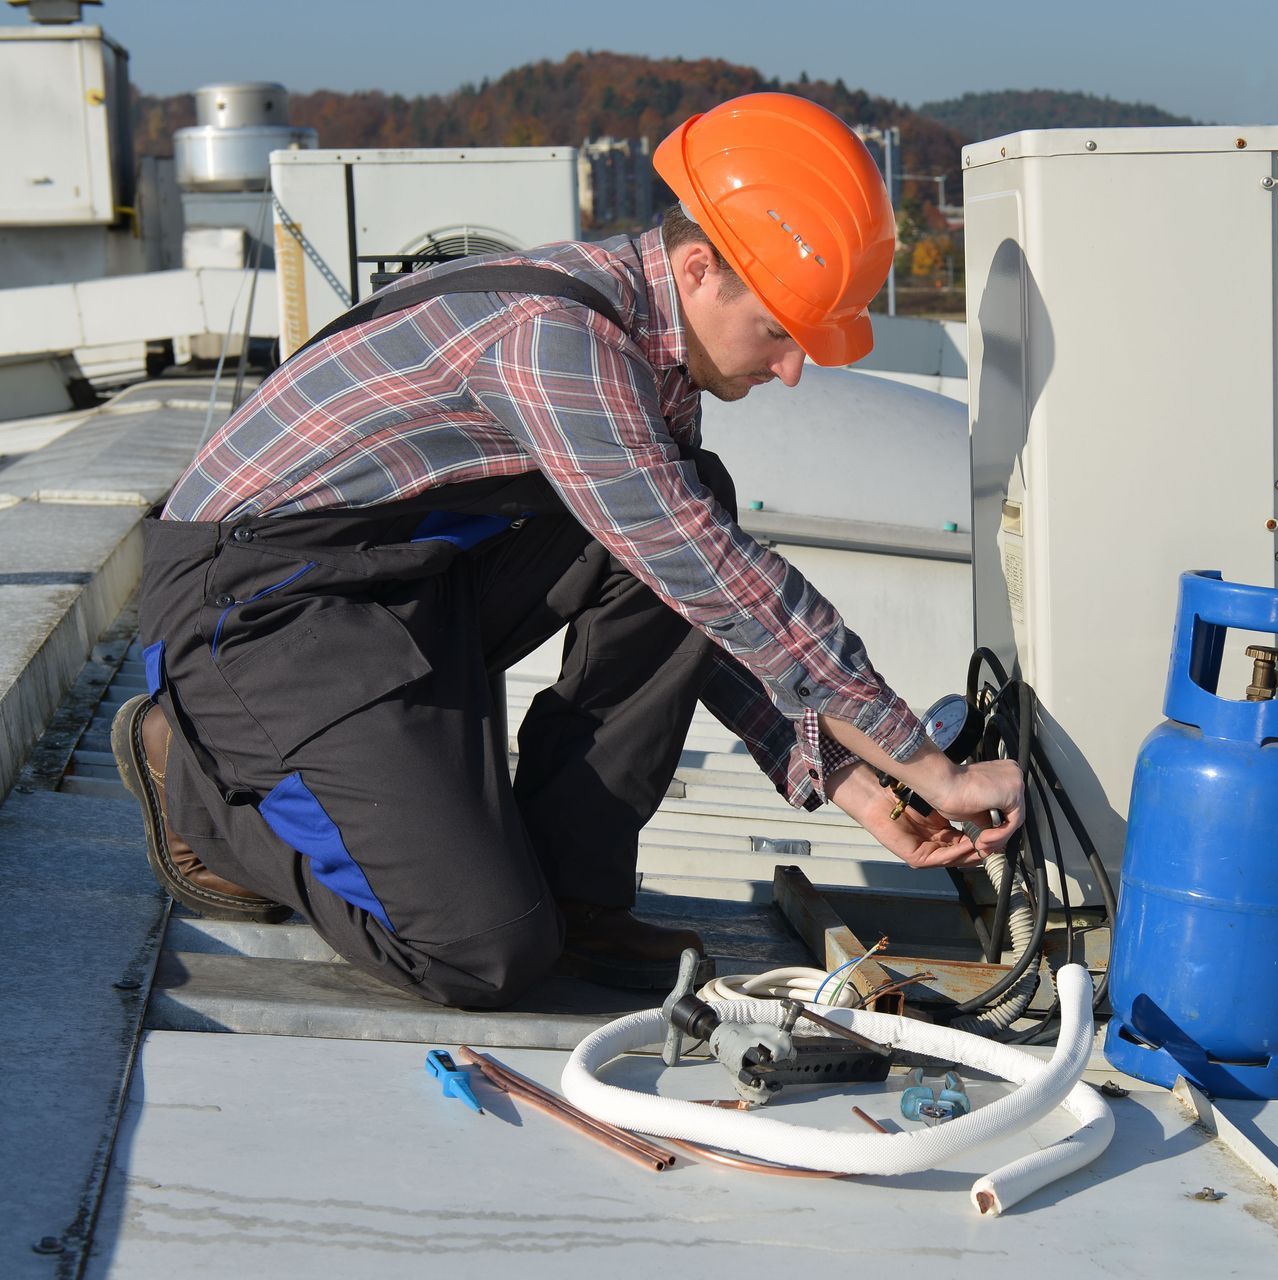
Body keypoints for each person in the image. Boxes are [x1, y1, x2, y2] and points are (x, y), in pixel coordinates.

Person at [111, 93, 1025, 1009]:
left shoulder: (652, 349)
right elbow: (726, 581)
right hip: (257, 610)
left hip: (391, 587)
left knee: (689, 498)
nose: (792, 369)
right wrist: (930, 765)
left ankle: (571, 888)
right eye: (782, 330)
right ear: (701, 268)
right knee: (481, 953)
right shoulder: (559, 341)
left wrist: (860, 785)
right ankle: (193, 780)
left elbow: (684, 586)